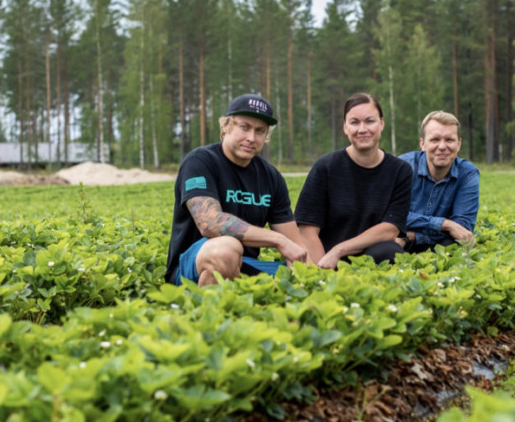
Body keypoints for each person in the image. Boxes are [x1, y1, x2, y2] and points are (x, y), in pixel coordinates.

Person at [165, 94, 308, 286]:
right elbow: (209, 223)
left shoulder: (271, 177)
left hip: (245, 264)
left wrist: (310, 278)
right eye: (244, 127)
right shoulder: (200, 162)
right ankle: (207, 310)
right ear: (226, 127)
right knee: (226, 249)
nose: (251, 138)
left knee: (303, 273)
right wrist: (277, 240)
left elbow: (296, 247)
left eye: (260, 131)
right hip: (191, 265)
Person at [294, 92, 412, 269]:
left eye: (370, 121)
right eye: (354, 122)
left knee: (390, 251)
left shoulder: (400, 171)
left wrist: (340, 250)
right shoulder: (325, 167)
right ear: (345, 127)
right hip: (326, 257)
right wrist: (322, 274)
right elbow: (308, 230)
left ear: (382, 123)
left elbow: (390, 229)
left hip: (369, 257)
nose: (362, 129)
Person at [398, 110, 480, 253]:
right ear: (422, 144)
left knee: (454, 246)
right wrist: (446, 224)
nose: (442, 146)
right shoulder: (403, 166)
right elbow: (394, 217)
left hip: (417, 240)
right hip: (400, 242)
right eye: (435, 140)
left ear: (458, 144)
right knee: (386, 250)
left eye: (449, 140)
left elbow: (462, 229)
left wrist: (411, 236)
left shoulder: (468, 174)